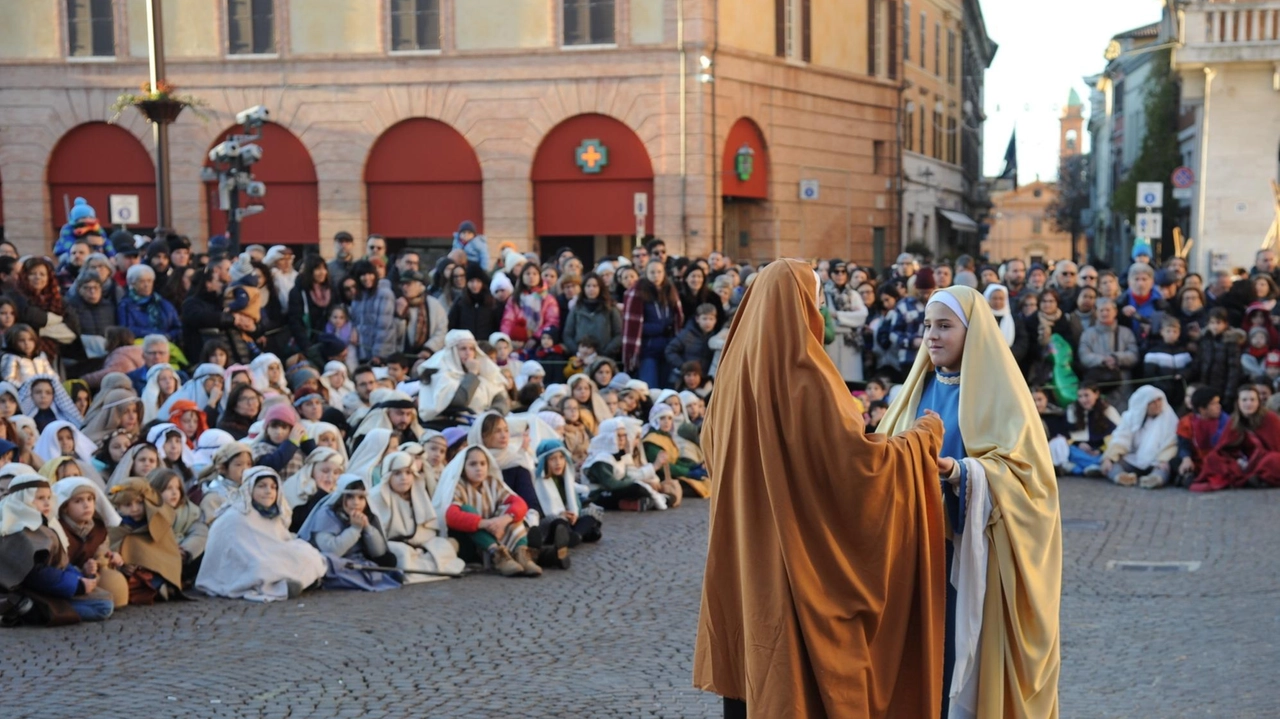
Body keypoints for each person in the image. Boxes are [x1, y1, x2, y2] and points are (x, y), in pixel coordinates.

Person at [696, 260, 955, 718]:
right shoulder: (805, 375)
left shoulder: (732, 375)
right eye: (814, 300)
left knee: (751, 660)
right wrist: (922, 438)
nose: (818, 310)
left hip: (744, 550)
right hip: (793, 554)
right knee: (789, 666)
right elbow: (856, 467)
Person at [877, 285, 1062, 718]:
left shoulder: (1004, 393)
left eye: (944, 326)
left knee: (960, 657)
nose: (932, 336)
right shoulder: (914, 388)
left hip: (972, 552)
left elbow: (1029, 481)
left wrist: (963, 472)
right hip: (916, 549)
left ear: (973, 331)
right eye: (927, 326)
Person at [196, 466, 327, 602]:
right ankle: (281, 585)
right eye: (262, 486)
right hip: (243, 562)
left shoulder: (273, 514)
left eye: (273, 487)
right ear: (250, 488)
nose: (268, 491)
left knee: (306, 553)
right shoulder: (235, 516)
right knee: (262, 567)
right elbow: (235, 551)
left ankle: (291, 581)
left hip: (269, 553)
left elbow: (279, 541)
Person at [0, 476, 116, 625]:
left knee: (105, 599)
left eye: (49, 497)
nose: (48, 502)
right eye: (40, 498)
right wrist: (76, 585)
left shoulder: (40, 524)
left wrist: (79, 577)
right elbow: (35, 574)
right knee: (102, 607)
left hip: (48, 585)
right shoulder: (17, 530)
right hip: (23, 592)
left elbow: (57, 562)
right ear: (24, 499)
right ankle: (26, 611)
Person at [432, 445, 540, 577]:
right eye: (473, 464)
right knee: (467, 510)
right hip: (470, 543)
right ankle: (498, 556)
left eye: (482, 464)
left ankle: (522, 555)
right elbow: (451, 516)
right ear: (463, 467)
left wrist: (503, 520)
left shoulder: (492, 483)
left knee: (511, 511)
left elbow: (520, 503)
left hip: (498, 532)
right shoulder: (457, 486)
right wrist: (486, 524)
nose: (479, 468)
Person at [366, 452, 465, 582]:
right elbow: (380, 536)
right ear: (388, 476)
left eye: (408, 473)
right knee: (400, 552)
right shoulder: (376, 497)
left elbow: (428, 529)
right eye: (397, 473)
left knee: (444, 545)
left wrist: (420, 544)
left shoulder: (418, 494)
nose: (404, 478)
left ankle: (424, 567)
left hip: (420, 545)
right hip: (395, 545)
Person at [296, 475, 401, 591]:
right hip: (332, 563)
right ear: (342, 498)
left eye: (361, 498)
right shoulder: (326, 514)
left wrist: (367, 528)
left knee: (388, 561)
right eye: (350, 497)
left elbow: (378, 552)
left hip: (357, 562)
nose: (356, 503)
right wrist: (354, 529)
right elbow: (331, 550)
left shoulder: (366, 514)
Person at [1192, 386, 1280, 491]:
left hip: (1263, 459)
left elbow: (1276, 446)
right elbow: (1224, 447)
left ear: (1258, 402)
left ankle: (1258, 478)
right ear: (1238, 402)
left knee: (1273, 460)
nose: (1249, 404)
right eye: (1244, 400)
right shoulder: (1234, 421)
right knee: (1213, 458)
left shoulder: (1270, 418)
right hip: (1242, 461)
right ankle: (1251, 479)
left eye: (1252, 400)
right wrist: (1238, 459)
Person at [1100, 385, 1178, 489]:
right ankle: (1122, 477)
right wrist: (1109, 458)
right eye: (1153, 402)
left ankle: (1154, 479)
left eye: (1159, 400)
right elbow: (1121, 438)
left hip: (1156, 460)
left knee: (1163, 469)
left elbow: (1171, 443)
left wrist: (1163, 459)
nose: (1158, 404)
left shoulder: (1169, 419)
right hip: (1134, 458)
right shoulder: (1130, 417)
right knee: (1111, 464)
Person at [622, 260, 684, 389]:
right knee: (650, 387)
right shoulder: (638, 292)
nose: (656, 276)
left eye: (659, 272)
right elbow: (635, 327)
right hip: (648, 349)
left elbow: (676, 318)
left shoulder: (670, 291)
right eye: (652, 272)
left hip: (668, 348)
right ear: (646, 273)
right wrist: (660, 328)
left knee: (667, 388)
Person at [148, 468, 207, 585]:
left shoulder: (191, 512)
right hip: (159, 557)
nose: (175, 493)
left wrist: (185, 551)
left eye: (177, 488)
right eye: (169, 488)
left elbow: (199, 533)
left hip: (183, 557)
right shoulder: (148, 512)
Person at [1174, 388, 1228, 488]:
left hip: (1217, 459)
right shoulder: (1186, 422)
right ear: (1202, 409)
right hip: (1196, 460)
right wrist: (1186, 458)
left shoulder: (1225, 421)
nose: (1218, 406)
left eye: (1218, 403)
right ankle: (1188, 476)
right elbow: (1183, 444)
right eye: (1214, 404)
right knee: (1175, 462)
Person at [349, 259, 398, 365]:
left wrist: (378, 354)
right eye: (362, 275)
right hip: (362, 351)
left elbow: (384, 327)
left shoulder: (385, 294)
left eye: (370, 274)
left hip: (380, 354)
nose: (367, 278)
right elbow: (355, 320)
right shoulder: (359, 295)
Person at [116, 264, 181, 343]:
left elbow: (177, 327)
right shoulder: (125, 305)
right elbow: (127, 329)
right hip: (139, 346)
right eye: (142, 281)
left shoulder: (162, 303)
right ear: (132, 284)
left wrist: (169, 336)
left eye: (149, 281)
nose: (146, 285)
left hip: (167, 344)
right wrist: (158, 336)